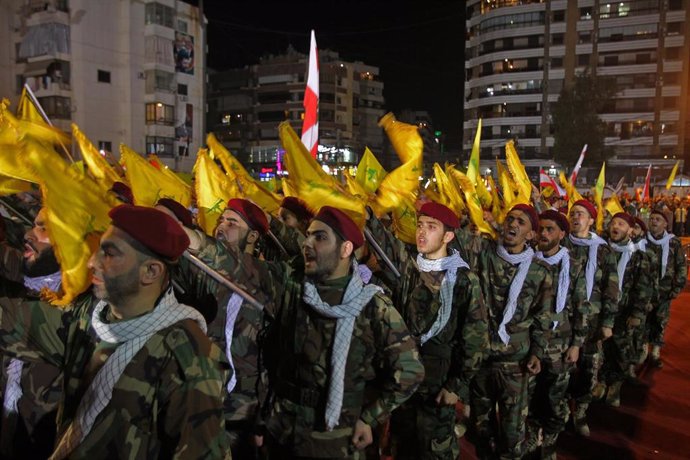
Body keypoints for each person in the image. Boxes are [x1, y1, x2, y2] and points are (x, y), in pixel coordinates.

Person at [186, 205, 425, 459]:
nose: (307, 243)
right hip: (282, 432)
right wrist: (193, 240)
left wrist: (370, 417)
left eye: (320, 237)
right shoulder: (292, 288)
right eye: (308, 234)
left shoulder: (372, 306)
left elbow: (410, 370)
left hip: (334, 439)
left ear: (345, 249)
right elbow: (239, 266)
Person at [0, 204, 230, 458]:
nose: (91, 262)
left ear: (151, 271)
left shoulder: (189, 357)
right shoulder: (88, 321)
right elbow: (10, 320)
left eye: (108, 253)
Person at [367, 201, 487, 460]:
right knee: (404, 446)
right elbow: (383, 240)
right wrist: (365, 212)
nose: (422, 232)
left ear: (448, 236)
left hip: (437, 384)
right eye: (420, 225)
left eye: (431, 227)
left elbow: (475, 339)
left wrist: (456, 385)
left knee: (436, 450)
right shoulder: (409, 269)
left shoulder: (465, 280)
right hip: (404, 380)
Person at [459, 203, 554, 459]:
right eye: (510, 219)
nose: (513, 224)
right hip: (482, 359)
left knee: (512, 433)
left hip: (516, 364)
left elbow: (543, 317)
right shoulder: (483, 253)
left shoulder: (540, 272)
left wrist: (537, 353)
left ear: (531, 235)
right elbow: (456, 237)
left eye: (521, 222)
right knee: (481, 428)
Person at [0, 208, 67, 459]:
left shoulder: (79, 308)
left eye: (43, 228)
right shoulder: (28, 275)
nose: (29, 234)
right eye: (34, 225)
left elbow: (16, 323)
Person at [525, 210, 587, 460]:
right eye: (542, 228)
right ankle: (531, 436)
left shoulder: (573, 264)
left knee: (554, 396)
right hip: (531, 342)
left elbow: (581, 305)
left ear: (562, 234)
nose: (544, 233)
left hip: (560, 344)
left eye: (550, 229)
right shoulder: (528, 261)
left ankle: (549, 440)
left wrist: (577, 344)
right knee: (528, 394)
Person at [563, 199, 619, 437]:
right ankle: (563, 409)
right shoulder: (561, 244)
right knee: (562, 369)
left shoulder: (603, 249)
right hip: (564, 319)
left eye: (581, 214)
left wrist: (607, 322)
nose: (576, 218)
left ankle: (581, 412)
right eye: (573, 213)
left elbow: (611, 288)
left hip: (593, 322)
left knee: (589, 370)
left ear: (591, 219)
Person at [599, 212, 656, 407]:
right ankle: (602, 381)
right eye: (614, 223)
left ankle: (615, 386)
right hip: (601, 312)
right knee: (602, 350)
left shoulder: (638, 256)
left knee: (621, 351)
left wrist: (636, 314)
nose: (616, 226)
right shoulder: (601, 250)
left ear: (630, 230)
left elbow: (643, 287)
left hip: (624, 314)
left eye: (621, 224)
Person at [644, 209, 687, 367]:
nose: (654, 221)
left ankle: (655, 351)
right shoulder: (643, 240)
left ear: (665, 223)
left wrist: (676, 288)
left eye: (658, 219)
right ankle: (642, 350)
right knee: (644, 320)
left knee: (660, 321)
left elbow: (681, 266)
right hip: (645, 291)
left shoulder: (673, 242)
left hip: (664, 290)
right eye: (652, 218)